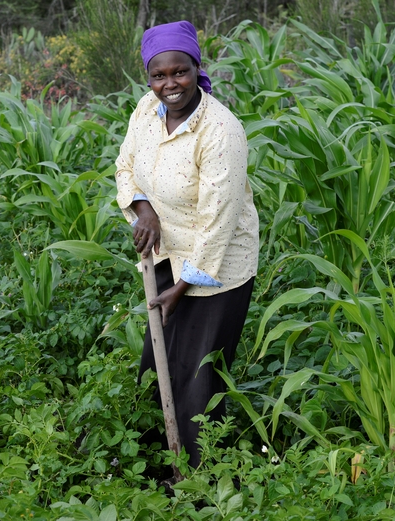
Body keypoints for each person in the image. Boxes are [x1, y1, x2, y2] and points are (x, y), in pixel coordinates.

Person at [114, 20, 259, 472]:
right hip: (163, 253)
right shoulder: (145, 111)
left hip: (217, 269)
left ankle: (195, 486)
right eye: (159, 75)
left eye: (180, 72)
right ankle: (153, 472)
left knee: (197, 379)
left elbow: (220, 220)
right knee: (156, 369)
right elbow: (125, 166)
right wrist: (144, 209)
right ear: (148, 76)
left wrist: (182, 287)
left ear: (197, 68)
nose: (169, 84)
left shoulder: (220, 130)